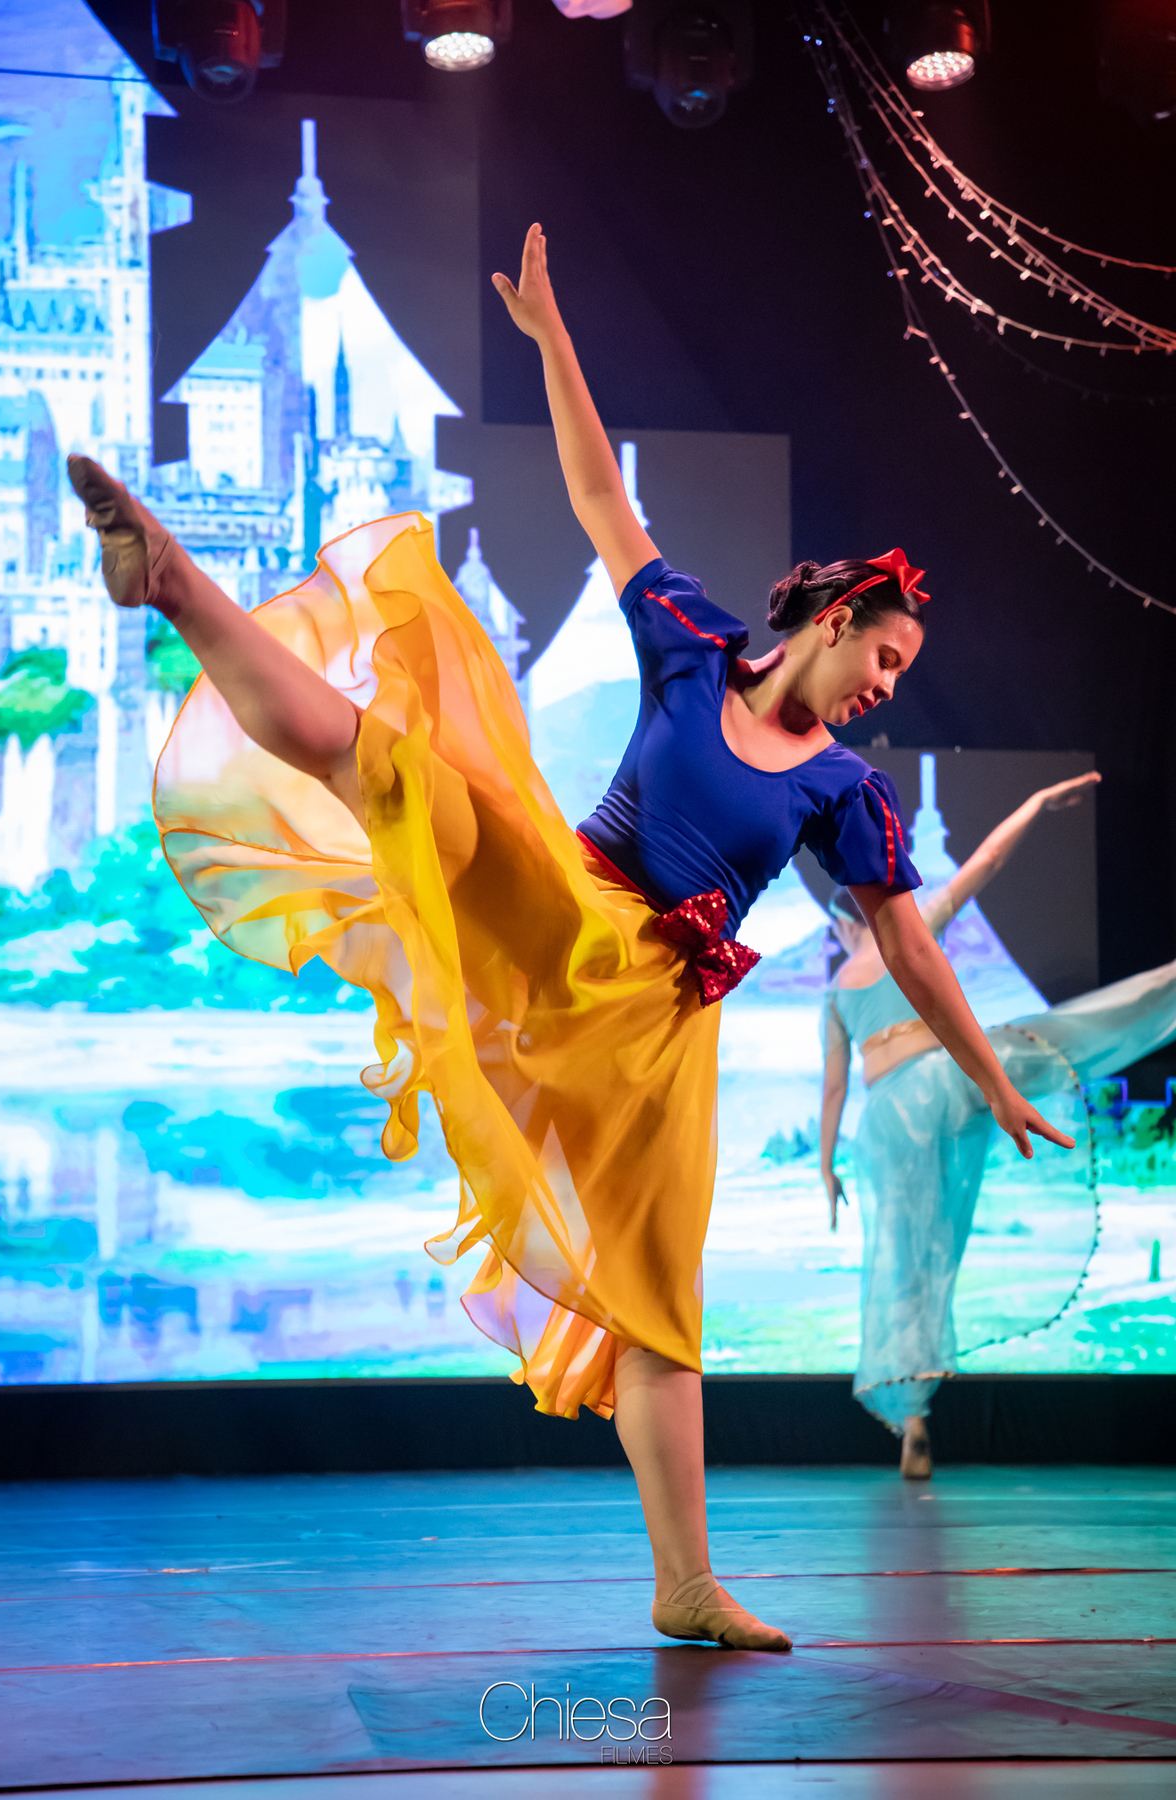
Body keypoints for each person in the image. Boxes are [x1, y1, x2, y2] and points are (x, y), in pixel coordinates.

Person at [67, 222, 1071, 1653]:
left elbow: (911, 950)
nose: (884, 692)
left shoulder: (847, 793)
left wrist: (992, 1077)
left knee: (658, 1303)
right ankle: (168, 576)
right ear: (840, 619)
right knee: (393, 765)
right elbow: (602, 494)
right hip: (569, 903)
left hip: (663, 1030)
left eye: (900, 678)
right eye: (886, 659)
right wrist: (553, 342)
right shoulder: (689, 645)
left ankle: (685, 1582)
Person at [821, 773, 1176, 1478]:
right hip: (950, 1081)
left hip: (890, 1119)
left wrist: (825, 1166)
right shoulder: (909, 932)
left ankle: (913, 1417)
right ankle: (1161, 992)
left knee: (908, 1260)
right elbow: (983, 862)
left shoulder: (835, 990)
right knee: (1060, 1034)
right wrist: (1036, 803)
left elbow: (834, 1087)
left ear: (841, 925)